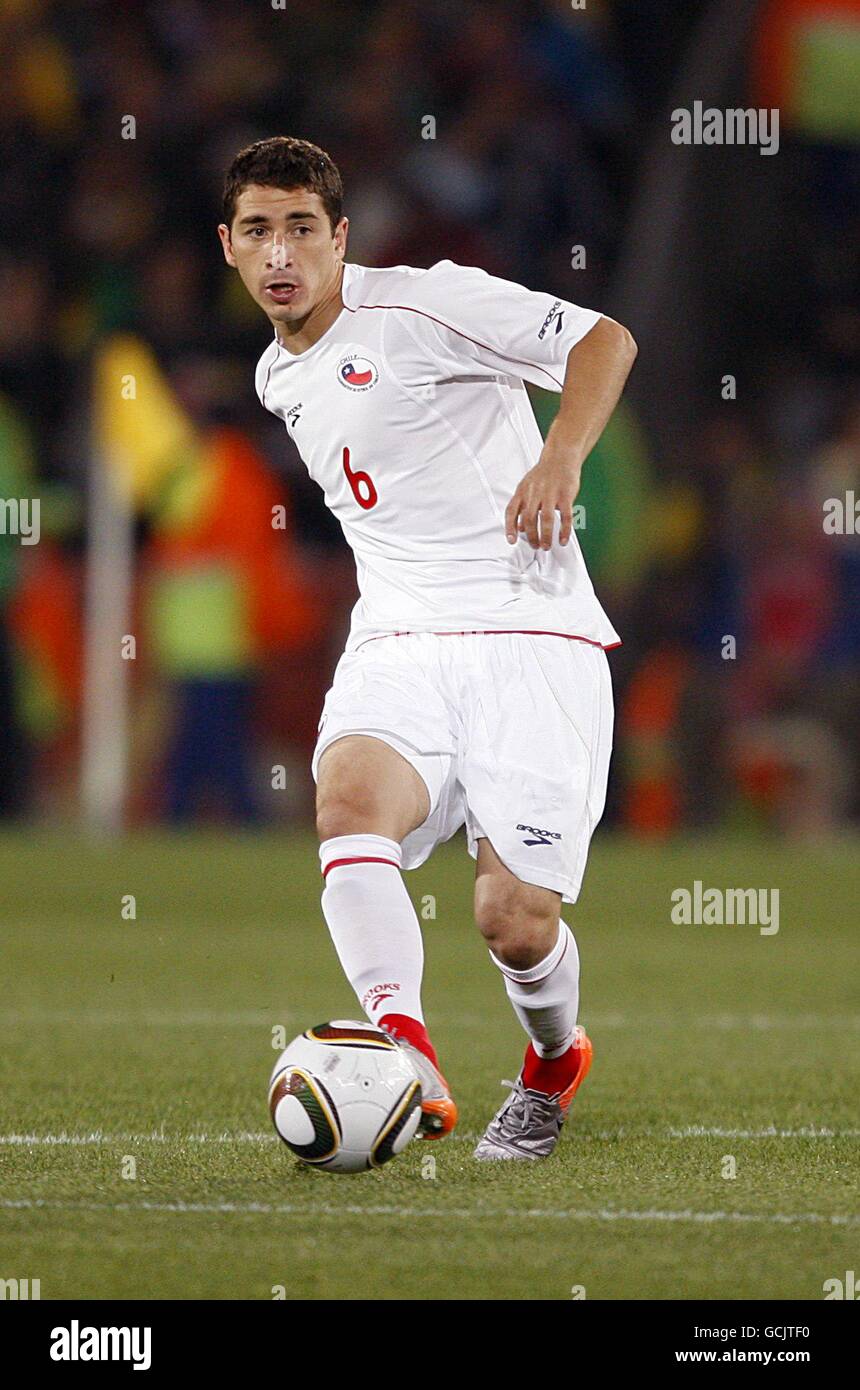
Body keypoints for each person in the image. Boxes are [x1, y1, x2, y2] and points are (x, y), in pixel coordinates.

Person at [219, 137, 637, 1160]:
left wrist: (558, 456)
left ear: (340, 237)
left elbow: (602, 340)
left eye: (302, 228)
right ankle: (403, 1048)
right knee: (348, 805)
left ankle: (551, 1063)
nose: (282, 252)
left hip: (527, 626)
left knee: (513, 919)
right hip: (398, 633)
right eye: (260, 231)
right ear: (228, 247)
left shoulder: (418, 304)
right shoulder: (276, 373)